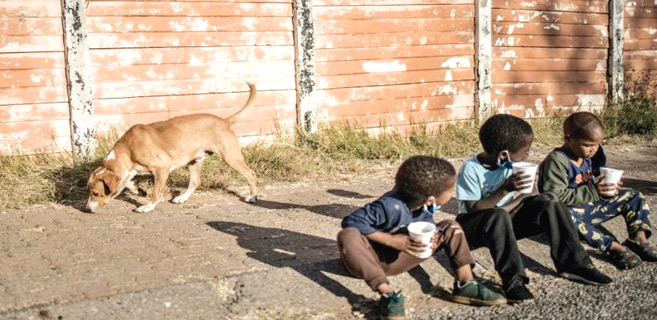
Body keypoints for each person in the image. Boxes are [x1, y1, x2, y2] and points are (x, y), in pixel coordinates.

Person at [455, 114, 612, 304]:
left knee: (549, 200)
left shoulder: (513, 164)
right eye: (526, 151)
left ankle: (574, 264)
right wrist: (506, 189)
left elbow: (532, 196)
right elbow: (475, 211)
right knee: (496, 214)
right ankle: (513, 281)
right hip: (475, 229)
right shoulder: (470, 170)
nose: (528, 155)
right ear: (504, 155)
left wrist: (528, 191)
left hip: (506, 221)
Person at [338, 156, 506, 320]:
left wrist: (435, 235)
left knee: (450, 225)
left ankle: (466, 283)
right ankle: (388, 294)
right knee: (348, 235)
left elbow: (427, 223)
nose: (451, 193)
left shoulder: (425, 204)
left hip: (406, 254)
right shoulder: (389, 206)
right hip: (371, 262)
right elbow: (350, 221)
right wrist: (391, 240)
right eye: (450, 191)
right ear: (431, 198)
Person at [538, 111, 656, 269]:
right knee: (565, 215)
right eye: (587, 145)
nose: (593, 149)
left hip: (587, 205)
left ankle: (638, 239)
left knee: (634, 196)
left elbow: (595, 178)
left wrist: (608, 186)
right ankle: (614, 247)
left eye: (597, 144)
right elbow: (554, 196)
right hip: (567, 214)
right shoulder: (558, 160)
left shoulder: (590, 155)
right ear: (568, 138)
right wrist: (593, 191)